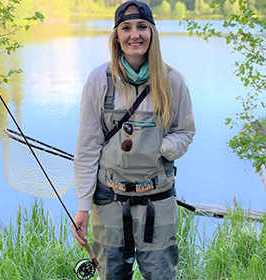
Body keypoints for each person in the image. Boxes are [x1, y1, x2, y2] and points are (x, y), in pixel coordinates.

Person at [72, 1, 195, 279]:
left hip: (158, 202)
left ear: (152, 32)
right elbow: (87, 148)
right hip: (108, 202)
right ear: (116, 36)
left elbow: (185, 133)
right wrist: (83, 207)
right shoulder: (98, 80)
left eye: (142, 27)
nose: (134, 35)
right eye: (126, 28)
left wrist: (160, 147)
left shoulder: (173, 81)